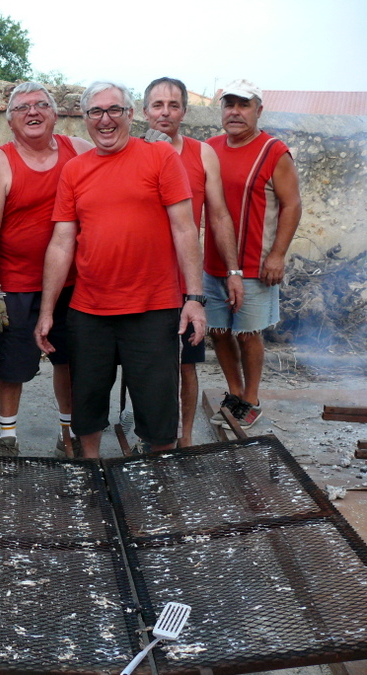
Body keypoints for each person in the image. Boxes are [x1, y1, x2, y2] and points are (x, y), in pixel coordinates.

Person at [35, 81, 206, 458]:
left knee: (159, 417)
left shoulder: (161, 158)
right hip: (89, 310)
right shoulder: (74, 170)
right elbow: (62, 242)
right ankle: (91, 474)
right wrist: (47, 311)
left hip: (154, 308)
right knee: (87, 410)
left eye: (114, 110)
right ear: (84, 119)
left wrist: (194, 298)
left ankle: (156, 486)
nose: (105, 119)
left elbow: (184, 228)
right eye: (96, 112)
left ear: (130, 115)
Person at [0, 82, 93, 457]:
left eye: (42, 105)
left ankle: (68, 432)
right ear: (10, 120)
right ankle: (7, 435)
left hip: (72, 283)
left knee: (70, 360)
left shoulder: (80, 152)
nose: (33, 112)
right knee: (12, 365)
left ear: (56, 115)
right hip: (17, 284)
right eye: (23, 107)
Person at [142, 77, 245, 447]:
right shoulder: (129, 151)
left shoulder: (202, 154)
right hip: (140, 280)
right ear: (144, 111)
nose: (165, 112)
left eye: (173, 105)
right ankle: (151, 435)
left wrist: (234, 272)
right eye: (157, 105)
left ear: (184, 111)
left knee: (187, 362)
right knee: (145, 366)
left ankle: (184, 439)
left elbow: (218, 216)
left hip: (185, 279)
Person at [205, 79, 302, 430]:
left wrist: (277, 255)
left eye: (243, 105)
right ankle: (234, 395)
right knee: (217, 330)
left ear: (258, 110)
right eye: (228, 104)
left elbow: (292, 205)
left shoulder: (274, 152)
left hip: (256, 265)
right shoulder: (210, 148)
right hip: (213, 262)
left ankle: (252, 399)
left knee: (248, 334)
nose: (234, 111)